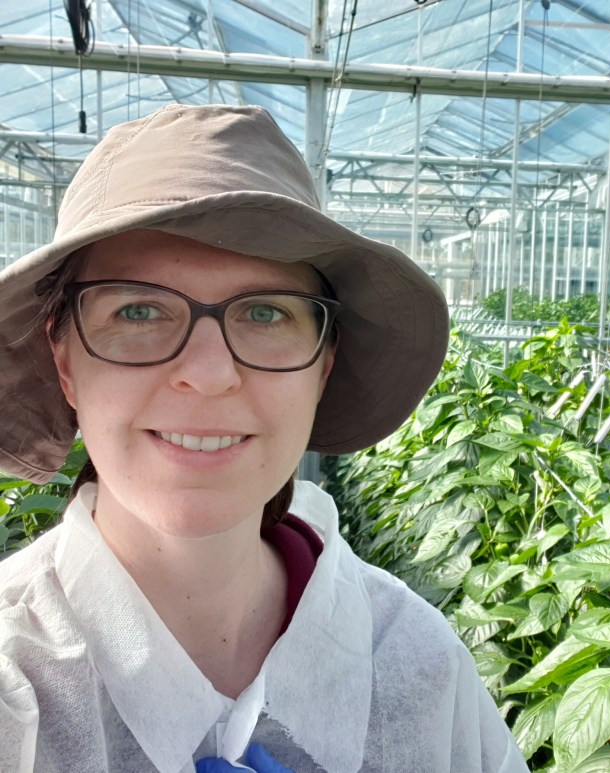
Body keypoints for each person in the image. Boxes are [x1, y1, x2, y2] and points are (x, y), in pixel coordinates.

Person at [0, 104, 529, 773]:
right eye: (138, 310)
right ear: (65, 361)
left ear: (324, 364)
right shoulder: (15, 687)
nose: (209, 374)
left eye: (264, 313)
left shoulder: (417, 661)